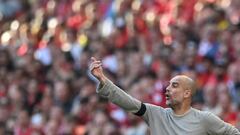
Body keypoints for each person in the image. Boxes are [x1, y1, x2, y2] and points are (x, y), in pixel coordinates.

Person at [89, 57, 240, 135]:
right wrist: (103, 80)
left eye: (174, 85)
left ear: (187, 93)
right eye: (167, 85)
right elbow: (127, 102)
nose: (167, 89)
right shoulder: (157, 114)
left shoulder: (205, 119)